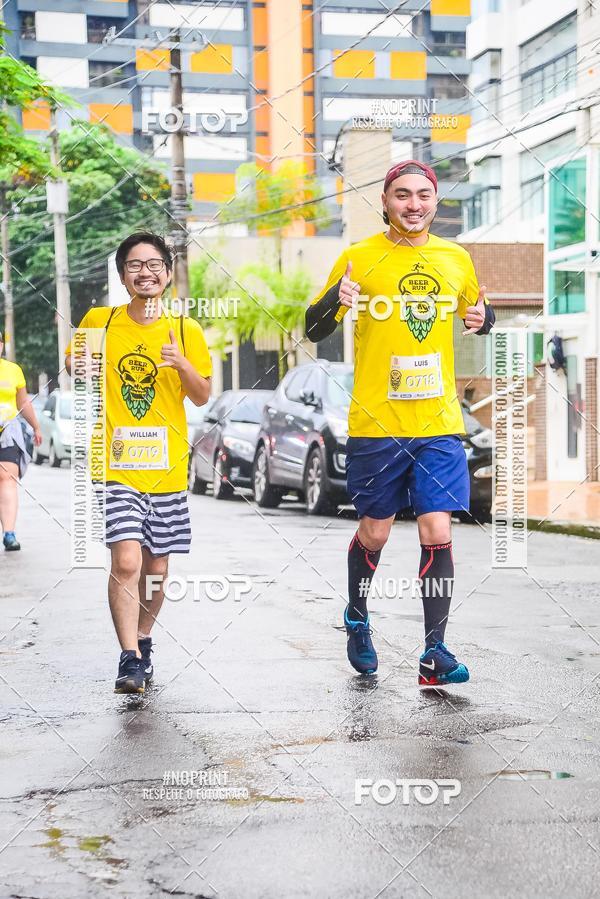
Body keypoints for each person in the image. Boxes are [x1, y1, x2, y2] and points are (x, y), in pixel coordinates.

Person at [305, 161, 495, 687]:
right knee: (376, 532)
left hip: (437, 421)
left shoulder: (455, 258)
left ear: (436, 202)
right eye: (403, 195)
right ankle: (358, 617)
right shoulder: (359, 257)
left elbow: (477, 311)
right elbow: (314, 327)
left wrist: (485, 319)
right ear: (385, 201)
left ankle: (434, 653)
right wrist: (332, 303)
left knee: (437, 528)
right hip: (376, 423)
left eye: (424, 195)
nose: (415, 204)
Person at [66, 232, 212, 694]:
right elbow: (75, 366)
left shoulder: (185, 330)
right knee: (126, 561)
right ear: (123, 274)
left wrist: (179, 364)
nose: (144, 272)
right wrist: (82, 366)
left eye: (154, 265)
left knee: (157, 570)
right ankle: (129, 657)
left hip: (167, 468)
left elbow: (203, 394)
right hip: (116, 465)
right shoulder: (100, 321)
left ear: (167, 274)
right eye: (134, 265)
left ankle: (144, 638)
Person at [0, 332, 42, 551]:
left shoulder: (13, 370)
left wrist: (36, 426)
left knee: (8, 478)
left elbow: (23, 402)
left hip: (7, 432)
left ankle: (9, 533)